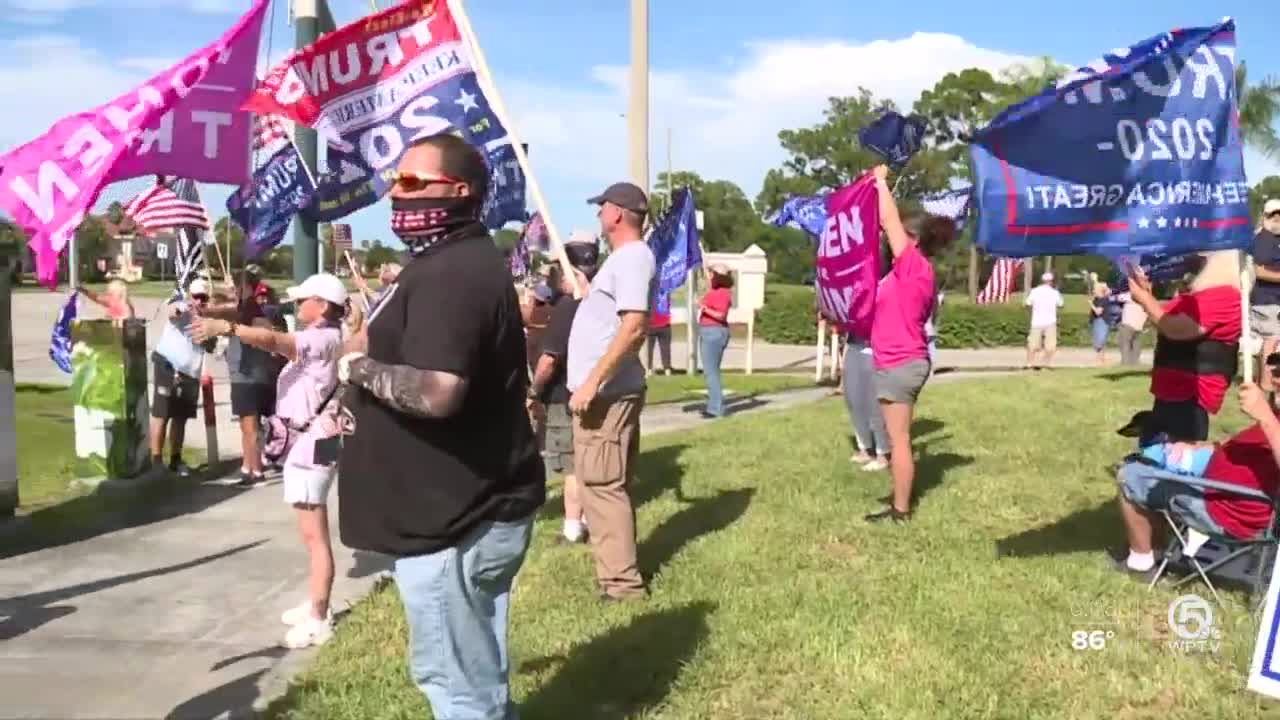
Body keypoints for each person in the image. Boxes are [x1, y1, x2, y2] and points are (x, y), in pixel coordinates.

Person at [334, 133, 544, 716]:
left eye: (410, 183)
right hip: (462, 508)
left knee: (456, 684)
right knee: (476, 669)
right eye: (393, 182)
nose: (394, 195)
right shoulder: (446, 264)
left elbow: (437, 393)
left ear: (459, 191)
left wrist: (359, 366)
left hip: (459, 520)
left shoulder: (453, 273)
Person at [191, 273, 346, 648]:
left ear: (322, 305)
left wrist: (227, 327)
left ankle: (319, 616)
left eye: (302, 300)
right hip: (311, 441)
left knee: (315, 536)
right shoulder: (325, 337)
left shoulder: (320, 338)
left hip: (312, 443)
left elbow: (275, 340)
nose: (296, 305)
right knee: (310, 533)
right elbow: (271, 337)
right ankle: (315, 602)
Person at [567, 180, 656, 600]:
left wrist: (592, 381)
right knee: (601, 484)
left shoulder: (633, 258)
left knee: (602, 486)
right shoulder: (623, 260)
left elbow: (634, 326)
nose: (598, 213)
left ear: (617, 213)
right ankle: (617, 576)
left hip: (606, 394)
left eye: (601, 206)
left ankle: (621, 585)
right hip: (605, 391)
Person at [1113, 379, 1280, 577]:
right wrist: (1200, 447)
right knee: (1155, 467)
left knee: (1130, 474)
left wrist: (1266, 417)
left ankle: (1141, 562)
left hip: (1226, 512)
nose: (1275, 377)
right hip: (1218, 491)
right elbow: (1242, 447)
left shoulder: (1272, 419)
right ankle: (1156, 550)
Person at [864, 165, 954, 523]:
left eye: (900, 235)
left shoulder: (913, 266)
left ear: (912, 240)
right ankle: (898, 500)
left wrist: (881, 183)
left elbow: (888, 219)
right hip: (900, 359)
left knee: (898, 439)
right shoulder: (910, 272)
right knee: (896, 435)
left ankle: (900, 509)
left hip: (900, 361)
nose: (890, 238)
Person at [1126, 250, 1242, 445]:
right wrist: (1148, 295)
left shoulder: (1225, 295)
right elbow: (1165, 317)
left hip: (1192, 390)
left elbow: (1177, 328)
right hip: (1172, 386)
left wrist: (1145, 300)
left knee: (1180, 452)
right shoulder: (1198, 297)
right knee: (1160, 448)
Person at [529, 242, 600, 544]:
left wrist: (533, 392)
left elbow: (549, 359)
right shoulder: (599, 301)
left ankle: (573, 527)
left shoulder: (568, 307)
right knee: (588, 461)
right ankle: (586, 517)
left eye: (557, 268)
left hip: (564, 395)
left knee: (572, 466)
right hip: (594, 390)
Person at [202, 269, 278, 486]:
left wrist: (209, 311)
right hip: (245, 374)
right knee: (247, 427)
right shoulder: (249, 309)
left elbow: (227, 314)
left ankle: (255, 471)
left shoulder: (249, 309)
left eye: (235, 286)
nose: (231, 290)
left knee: (250, 426)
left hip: (248, 376)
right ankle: (249, 466)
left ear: (244, 288)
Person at [149, 278, 211, 478]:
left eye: (204, 298)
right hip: (167, 365)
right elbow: (171, 313)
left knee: (181, 417)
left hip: (190, 372)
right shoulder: (181, 307)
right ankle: (156, 460)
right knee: (162, 413)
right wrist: (184, 308)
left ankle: (176, 460)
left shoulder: (208, 319)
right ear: (190, 296)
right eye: (196, 297)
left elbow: (210, 346)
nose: (200, 301)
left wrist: (209, 330)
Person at [844, 329, 889, 472]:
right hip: (854, 345)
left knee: (874, 404)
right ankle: (865, 447)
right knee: (853, 400)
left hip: (877, 346)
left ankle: (883, 452)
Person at [1251, 199, 1280, 392]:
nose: (1277, 219)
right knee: (1272, 339)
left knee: (1271, 341)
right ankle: (1266, 384)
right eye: (1273, 215)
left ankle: (1265, 381)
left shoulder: (1273, 239)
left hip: (1272, 300)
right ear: (1265, 217)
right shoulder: (1265, 238)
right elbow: (1258, 270)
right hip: (1266, 301)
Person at [698, 263, 734, 418]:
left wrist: (704, 308)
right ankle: (714, 405)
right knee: (712, 371)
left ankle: (715, 408)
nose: (710, 275)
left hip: (713, 332)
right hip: (711, 332)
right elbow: (707, 279)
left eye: (713, 273)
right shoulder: (717, 291)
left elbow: (721, 315)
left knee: (711, 372)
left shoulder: (722, 293)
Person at [1025, 272, 1064, 369]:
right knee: (1050, 345)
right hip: (1050, 321)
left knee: (1032, 343)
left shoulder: (1034, 291)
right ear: (1051, 282)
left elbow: (1028, 304)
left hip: (1036, 321)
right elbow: (1061, 304)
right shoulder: (1055, 293)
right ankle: (1047, 364)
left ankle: (1029, 363)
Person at [1115, 291, 1148, 366]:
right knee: (1136, 344)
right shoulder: (1146, 297)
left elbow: (1119, 298)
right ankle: (1135, 362)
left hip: (1128, 323)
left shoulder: (1131, 295)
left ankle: (1125, 362)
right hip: (1140, 324)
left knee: (1124, 343)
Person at [1089, 280, 1112, 366]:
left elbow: (1098, 312)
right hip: (1096, 321)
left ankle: (1101, 360)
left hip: (1101, 321)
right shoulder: (1097, 299)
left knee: (1100, 342)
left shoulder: (1104, 300)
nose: (1094, 291)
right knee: (1098, 342)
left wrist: (1091, 304)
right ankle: (1100, 360)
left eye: (1095, 290)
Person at [646, 304, 674, 376]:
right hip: (664, 324)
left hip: (652, 324)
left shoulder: (649, 294)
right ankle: (667, 370)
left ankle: (649, 369)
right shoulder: (665, 294)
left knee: (649, 349)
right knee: (665, 349)